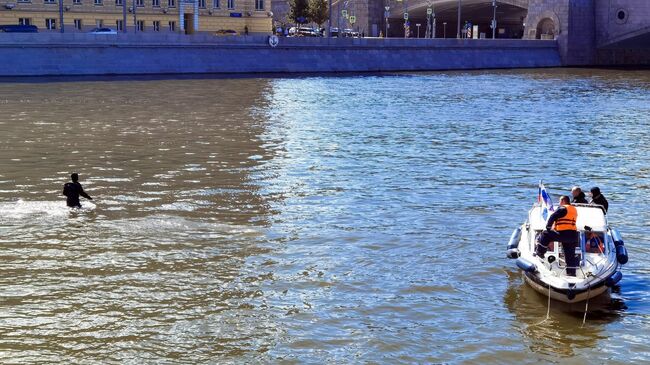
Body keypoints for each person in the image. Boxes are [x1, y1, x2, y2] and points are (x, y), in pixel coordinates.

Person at [535, 195, 580, 276]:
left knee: (545, 234)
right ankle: (571, 274)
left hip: (563, 234)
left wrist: (548, 227)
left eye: (560, 201)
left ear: (563, 201)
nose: (559, 203)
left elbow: (553, 216)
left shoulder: (563, 208)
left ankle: (540, 252)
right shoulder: (574, 210)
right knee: (570, 256)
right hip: (573, 236)